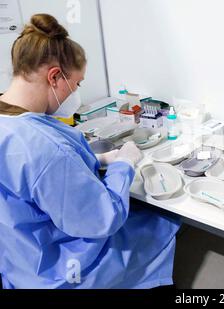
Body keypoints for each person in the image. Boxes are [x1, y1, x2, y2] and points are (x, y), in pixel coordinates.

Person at [0, 14, 180, 289]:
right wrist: (125, 165)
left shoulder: (11, 120)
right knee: (158, 221)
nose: (76, 92)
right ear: (55, 77)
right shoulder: (45, 148)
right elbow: (103, 218)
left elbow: (28, 179)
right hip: (59, 271)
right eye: (77, 83)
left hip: (19, 262)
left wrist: (95, 159)